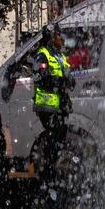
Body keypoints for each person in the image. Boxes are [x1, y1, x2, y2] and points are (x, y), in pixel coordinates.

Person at [33, 26, 71, 166]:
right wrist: (61, 81)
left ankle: (54, 167)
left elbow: (69, 79)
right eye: (58, 35)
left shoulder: (60, 56)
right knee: (51, 138)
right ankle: (48, 171)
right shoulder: (42, 54)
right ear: (51, 37)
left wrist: (68, 79)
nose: (62, 38)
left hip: (61, 105)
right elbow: (43, 77)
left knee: (60, 137)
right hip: (48, 105)